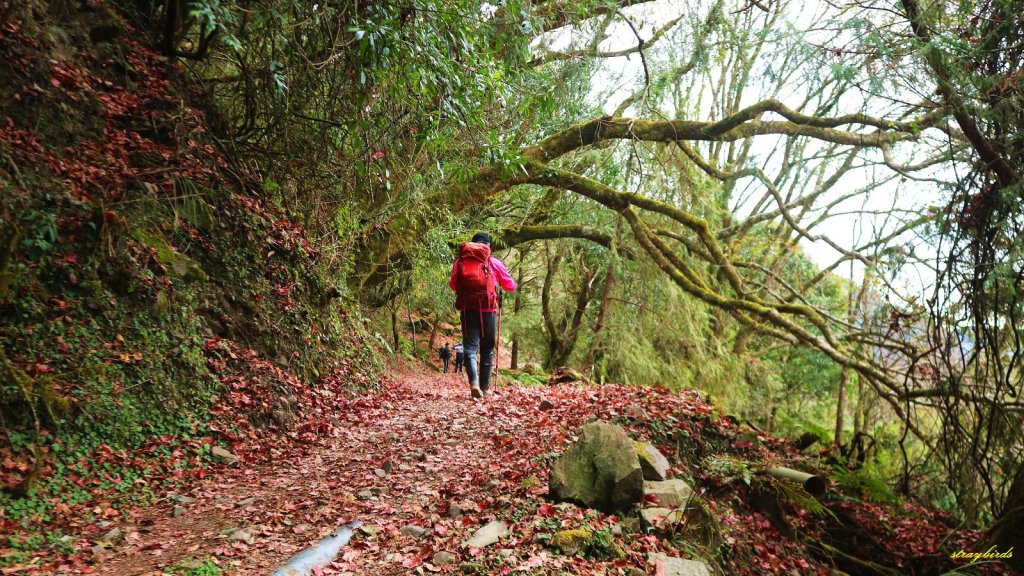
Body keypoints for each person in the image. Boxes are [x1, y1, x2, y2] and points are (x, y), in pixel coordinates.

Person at [449, 232, 516, 398]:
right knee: (487, 350)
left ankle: (474, 383)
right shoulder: (493, 262)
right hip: (488, 311)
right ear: (488, 247)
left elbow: (453, 285)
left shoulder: (460, 262)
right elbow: (511, 286)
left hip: (467, 309)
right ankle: (484, 389)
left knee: (470, 349)